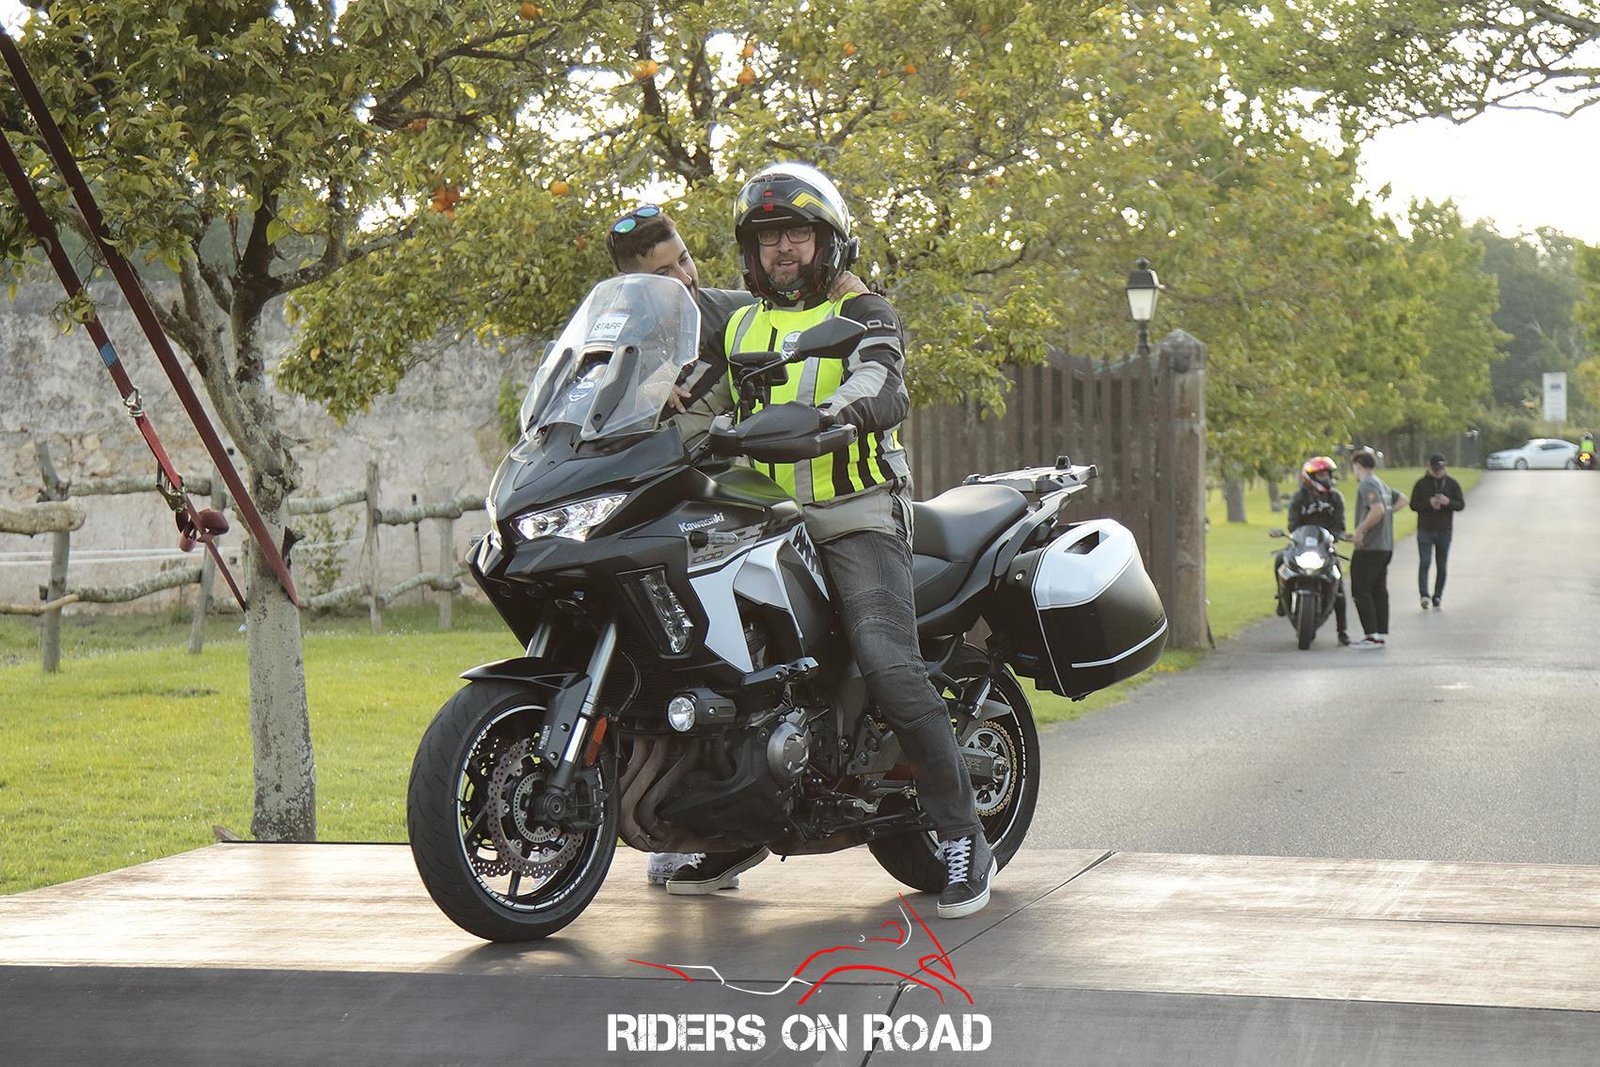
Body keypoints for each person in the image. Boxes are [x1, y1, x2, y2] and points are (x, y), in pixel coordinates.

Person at [666, 162, 996, 919]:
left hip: (852, 513)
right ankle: (733, 827)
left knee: (887, 660)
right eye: (767, 237)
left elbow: (880, 382)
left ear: (827, 241)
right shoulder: (738, 327)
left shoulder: (864, 310)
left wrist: (836, 416)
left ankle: (962, 834)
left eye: (796, 234)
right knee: (712, 663)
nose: (782, 249)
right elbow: (693, 403)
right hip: (756, 521)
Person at [604, 205, 864, 888]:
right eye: (664, 274)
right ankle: (700, 819)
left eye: (685, 259)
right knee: (658, 663)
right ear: (631, 285)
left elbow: (817, 317)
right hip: (658, 509)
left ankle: (742, 803)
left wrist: (850, 289)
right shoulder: (613, 338)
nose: (685, 279)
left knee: (743, 658)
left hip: (746, 502)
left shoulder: (731, 314)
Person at [1279, 455, 1350, 645]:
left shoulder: (1335, 497)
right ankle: (1281, 600)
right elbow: (1292, 524)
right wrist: (1296, 536)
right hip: (1301, 544)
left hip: (1325, 546)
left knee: (1338, 585)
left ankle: (1342, 631)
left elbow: (1340, 525)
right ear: (1310, 477)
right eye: (1321, 474)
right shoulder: (1299, 497)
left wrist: (1337, 536)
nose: (1325, 478)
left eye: (1327, 474)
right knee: (1279, 560)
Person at [1347, 449, 1407, 649]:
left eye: (1354, 467)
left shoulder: (1367, 484)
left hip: (1370, 547)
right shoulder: (1382, 484)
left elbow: (1378, 510)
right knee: (1378, 590)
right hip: (1385, 546)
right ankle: (1379, 633)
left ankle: (1371, 635)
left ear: (1358, 466)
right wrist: (1387, 515)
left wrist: (1360, 530)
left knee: (1361, 589)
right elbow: (1403, 499)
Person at [1409, 453, 1465, 610]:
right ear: (1429, 467)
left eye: (1440, 469)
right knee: (1425, 562)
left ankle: (1438, 595)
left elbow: (1460, 505)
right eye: (1435, 469)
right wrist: (1429, 503)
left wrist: (1448, 502)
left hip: (1444, 530)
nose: (1438, 472)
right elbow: (1413, 505)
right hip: (1425, 529)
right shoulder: (1421, 484)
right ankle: (1424, 595)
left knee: (1442, 565)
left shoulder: (1452, 484)